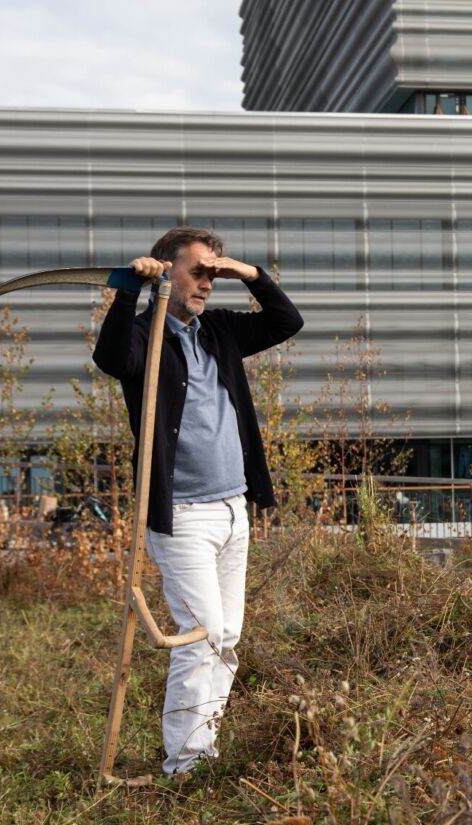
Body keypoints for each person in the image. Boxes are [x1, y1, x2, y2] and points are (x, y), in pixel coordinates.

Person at [92, 226, 303, 777]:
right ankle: (183, 764)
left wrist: (250, 274)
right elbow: (112, 358)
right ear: (168, 271)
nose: (209, 283)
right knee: (201, 635)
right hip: (180, 516)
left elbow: (287, 322)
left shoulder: (221, 332)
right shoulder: (146, 334)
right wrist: (132, 290)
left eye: (215, 272)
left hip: (234, 510)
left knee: (226, 638)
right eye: (200, 271)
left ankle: (202, 749)